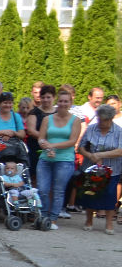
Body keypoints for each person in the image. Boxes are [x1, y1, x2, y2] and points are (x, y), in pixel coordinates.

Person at [36, 91, 82, 230]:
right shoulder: (47, 119)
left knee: (58, 190)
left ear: (70, 103)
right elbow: (41, 138)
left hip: (65, 160)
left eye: (66, 101)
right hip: (46, 158)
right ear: (57, 102)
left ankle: (53, 219)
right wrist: (45, 145)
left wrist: (53, 145)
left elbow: (72, 141)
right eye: (61, 101)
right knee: (43, 189)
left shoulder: (75, 120)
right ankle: (43, 216)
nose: (63, 104)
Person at [78, 104, 122, 234]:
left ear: (110, 119)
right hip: (91, 168)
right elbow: (81, 147)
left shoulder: (119, 131)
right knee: (90, 193)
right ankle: (89, 220)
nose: (100, 122)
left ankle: (109, 223)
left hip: (112, 169)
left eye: (103, 120)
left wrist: (100, 155)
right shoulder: (91, 128)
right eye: (99, 119)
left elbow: (120, 151)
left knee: (110, 195)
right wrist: (90, 156)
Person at [26, 84, 56, 179]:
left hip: (56, 149)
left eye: (48, 97)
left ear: (54, 97)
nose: (45, 100)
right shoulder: (34, 112)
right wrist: (47, 139)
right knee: (35, 177)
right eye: (43, 97)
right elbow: (31, 131)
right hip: (36, 149)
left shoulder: (59, 112)